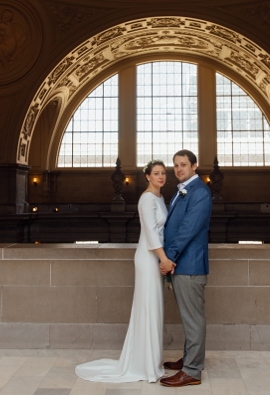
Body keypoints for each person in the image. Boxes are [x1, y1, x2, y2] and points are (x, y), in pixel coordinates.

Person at [75, 160, 173, 383]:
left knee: (154, 308)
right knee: (148, 307)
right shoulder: (147, 198)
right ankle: (145, 367)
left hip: (156, 256)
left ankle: (152, 363)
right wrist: (164, 259)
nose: (161, 177)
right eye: (156, 173)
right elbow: (150, 232)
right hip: (149, 258)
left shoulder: (159, 198)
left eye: (163, 173)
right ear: (147, 176)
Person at [158, 150, 212, 387]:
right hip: (182, 265)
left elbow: (188, 229)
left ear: (194, 166)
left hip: (189, 265)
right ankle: (189, 359)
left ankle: (192, 370)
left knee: (194, 319)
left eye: (183, 165)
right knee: (189, 317)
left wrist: (169, 257)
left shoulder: (199, 192)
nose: (179, 169)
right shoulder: (182, 191)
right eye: (176, 166)